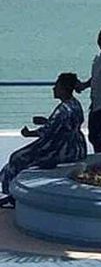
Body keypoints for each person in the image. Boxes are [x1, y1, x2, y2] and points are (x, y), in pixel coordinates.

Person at [0, 73, 88, 206]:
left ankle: (11, 194)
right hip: (76, 146)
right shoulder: (75, 104)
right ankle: (10, 191)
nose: (53, 88)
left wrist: (28, 133)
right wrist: (46, 121)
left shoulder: (63, 110)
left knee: (17, 158)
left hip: (61, 149)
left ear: (63, 88)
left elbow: (48, 132)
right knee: (17, 158)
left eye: (56, 85)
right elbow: (63, 125)